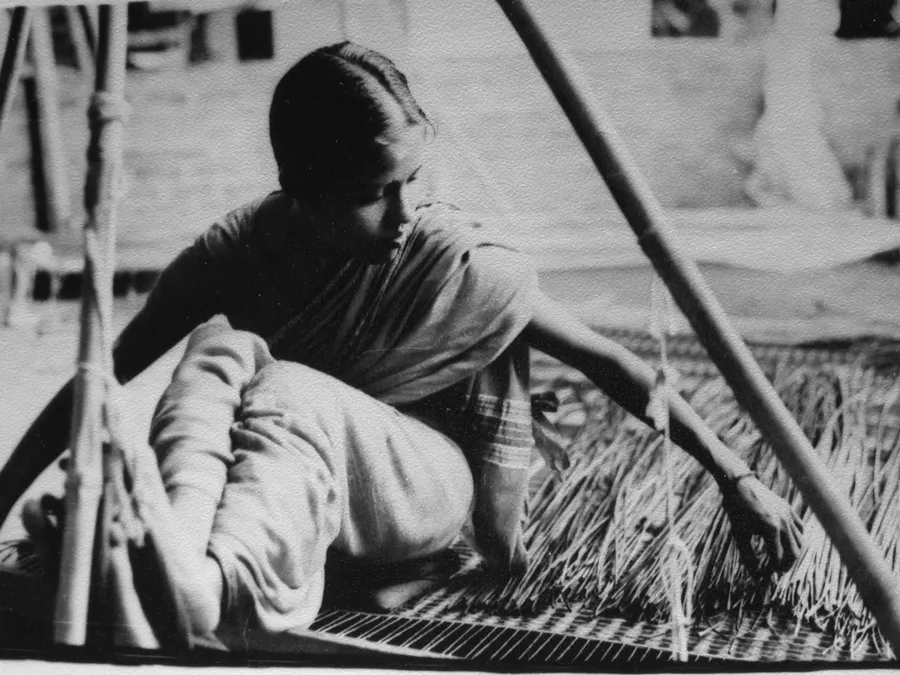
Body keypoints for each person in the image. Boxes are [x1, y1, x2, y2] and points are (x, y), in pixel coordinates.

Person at [1, 42, 802, 638]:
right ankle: (182, 552)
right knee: (219, 355)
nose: (404, 214)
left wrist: (735, 477)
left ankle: (200, 584)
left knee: (278, 384)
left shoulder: (451, 259)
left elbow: (613, 364)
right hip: (290, 473)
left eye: (411, 181)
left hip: (422, 483)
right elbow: (96, 379)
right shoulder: (232, 256)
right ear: (301, 188)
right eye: (371, 193)